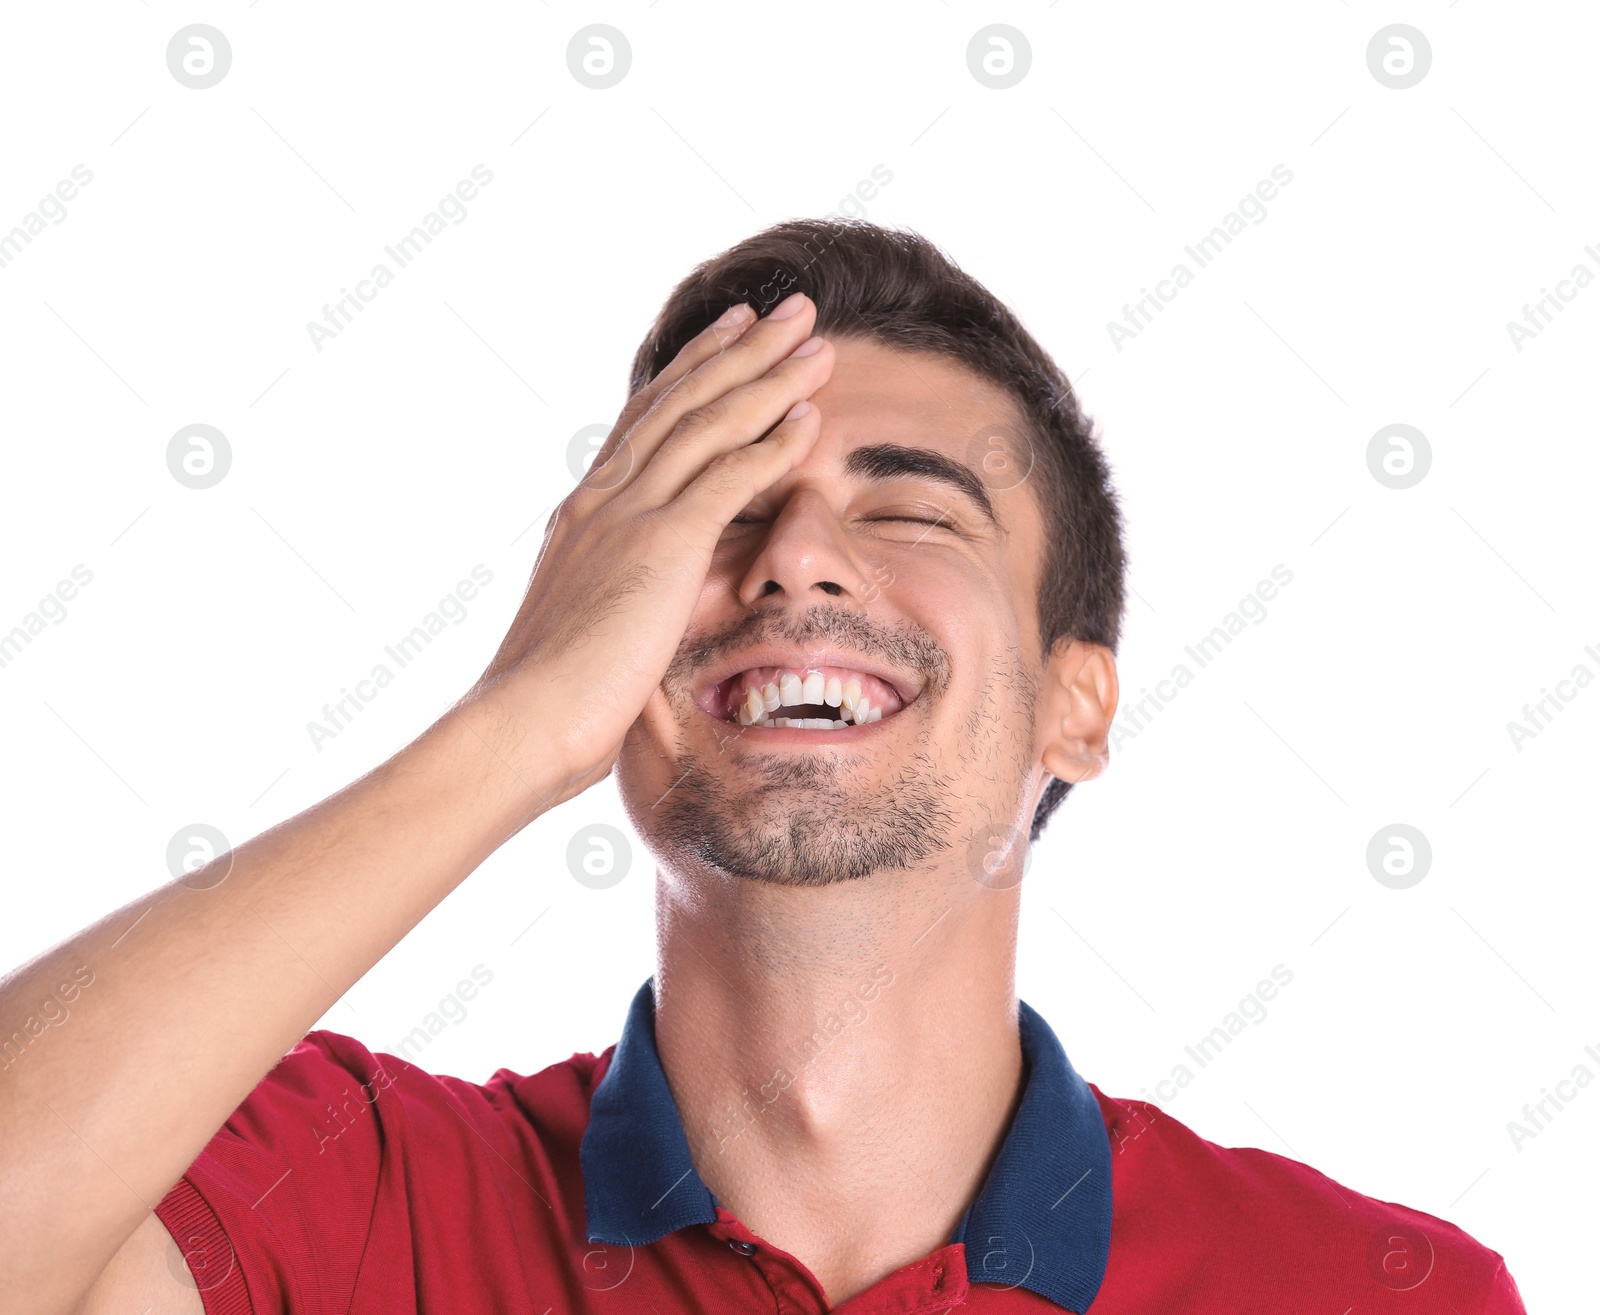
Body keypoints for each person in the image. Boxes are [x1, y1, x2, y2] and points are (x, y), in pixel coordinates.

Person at [1, 219, 1525, 1314]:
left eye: (914, 512)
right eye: (716, 517)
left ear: (1078, 705)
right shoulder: (354, 1195)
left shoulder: (1377, 1294)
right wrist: (516, 724)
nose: (796, 555)